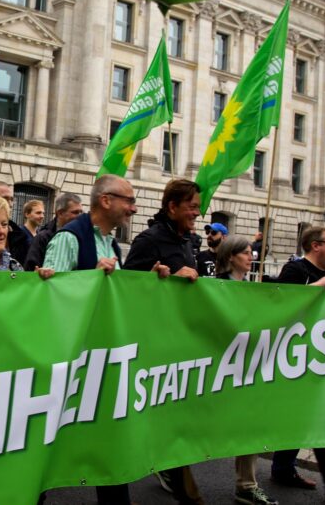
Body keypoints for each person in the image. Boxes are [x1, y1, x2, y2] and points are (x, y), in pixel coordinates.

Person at [44, 175, 135, 505]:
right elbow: (51, 298)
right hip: (69, 364)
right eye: (128, 200)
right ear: (106, 201)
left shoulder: (110, 244)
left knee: (109, 441)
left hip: (102, 360)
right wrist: (87, 279)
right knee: (47, 446)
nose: (133, 208)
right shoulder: (69, 238)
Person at [265, 226, 325, 505]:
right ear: (315, 245)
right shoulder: (294, 271)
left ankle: (283, 469)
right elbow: (280, 305)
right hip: (292, 359)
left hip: (317, 363)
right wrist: (313, 289)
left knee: (304, 416)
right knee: (318, 419)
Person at [123, 178, 202, 504]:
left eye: (198, 207)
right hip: (152, 344)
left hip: (180, 341)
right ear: (172, 206)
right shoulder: (148, 240)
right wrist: (159, 278)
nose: (197, 213)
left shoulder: (187, 241)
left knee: (177, 416)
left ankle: (171, 468)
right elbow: (126, 289)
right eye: (192, 207)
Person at [214, 236, 279, 505]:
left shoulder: (254, 287)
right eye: (246, 253)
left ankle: (246, 484)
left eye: (252, 252)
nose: (251, 257)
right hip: (217, 368)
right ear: (231, 257)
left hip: (246, 369)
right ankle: (169, 467)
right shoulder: (217, 287)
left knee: (250, 423)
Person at [24, 192, 83, 271]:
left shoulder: (84, 236)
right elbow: (30, 270)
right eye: (75, 212)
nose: (80, 216)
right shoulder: (43, 238)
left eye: (81, 212)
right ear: (60, 213)